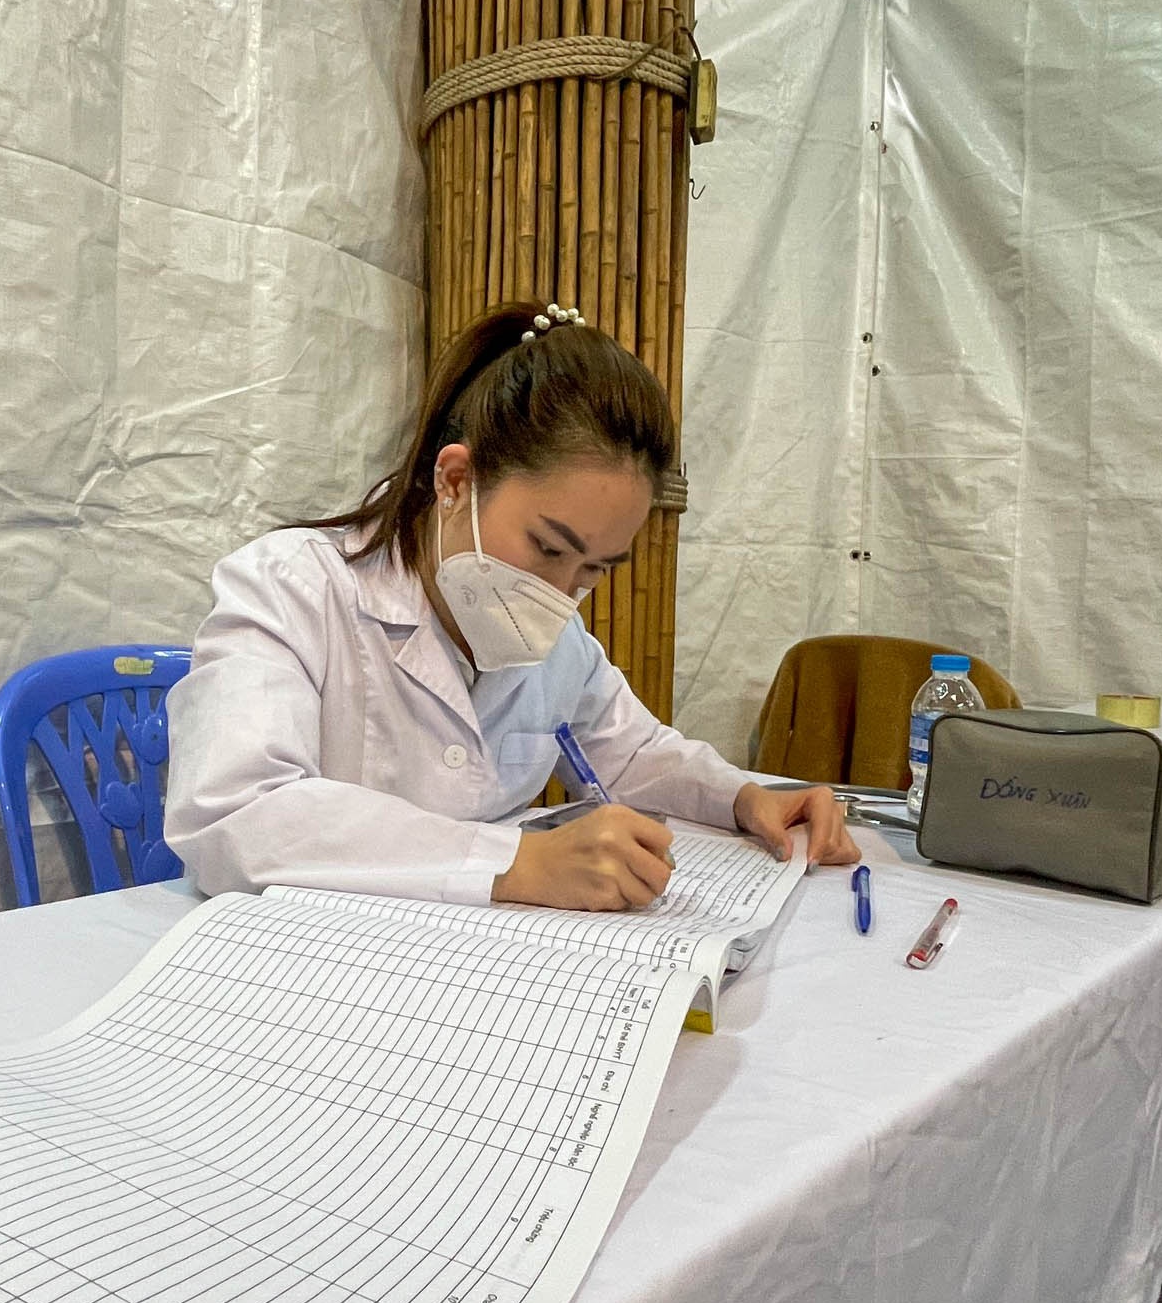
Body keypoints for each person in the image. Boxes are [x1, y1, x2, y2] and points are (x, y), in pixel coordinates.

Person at [164, 300, 858, 910]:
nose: (560, 593)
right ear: (455, 481)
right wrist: (514, 862)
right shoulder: (292, 587)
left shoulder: (558, 640)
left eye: (594, 568)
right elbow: (234, 814)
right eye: (548, 547)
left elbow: (633, 753)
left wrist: (744, 797)